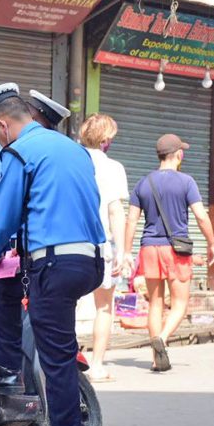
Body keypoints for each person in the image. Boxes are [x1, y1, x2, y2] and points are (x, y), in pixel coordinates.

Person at [0, 86, 105, 426]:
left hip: (54, 264)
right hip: (89, 261)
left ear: (3, 125)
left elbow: (7, 213)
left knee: (57, 366)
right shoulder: (74, 149)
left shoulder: (18, 152)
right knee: (60, 353)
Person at [0, 85, 70, 426]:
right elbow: (8, 209)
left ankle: (7, 389)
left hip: (19, 250)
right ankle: (13, 398)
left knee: (6, 326)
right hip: (16, 252)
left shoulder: (27, 149)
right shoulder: (9, 152)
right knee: (23, 332)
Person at [122, 134, 214, 372]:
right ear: (178, 154)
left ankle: (157, 359)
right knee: (180, 305)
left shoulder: (143, 183)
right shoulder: (186, 182)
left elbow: (131, 221)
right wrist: (212, 243)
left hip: (149, 248)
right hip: (175, 250)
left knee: (155, 303)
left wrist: (126, 251)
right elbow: (201, 216)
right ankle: (162, 339)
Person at [80, 114, 128, 383]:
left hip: (70, 243)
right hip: (102, 245)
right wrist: (122, 251)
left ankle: (65, 362)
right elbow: (115, 211)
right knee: (104, 307)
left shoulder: (70, 161)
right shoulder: (113, 168)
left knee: (65, 305)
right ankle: (96, 366)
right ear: (106, 139)